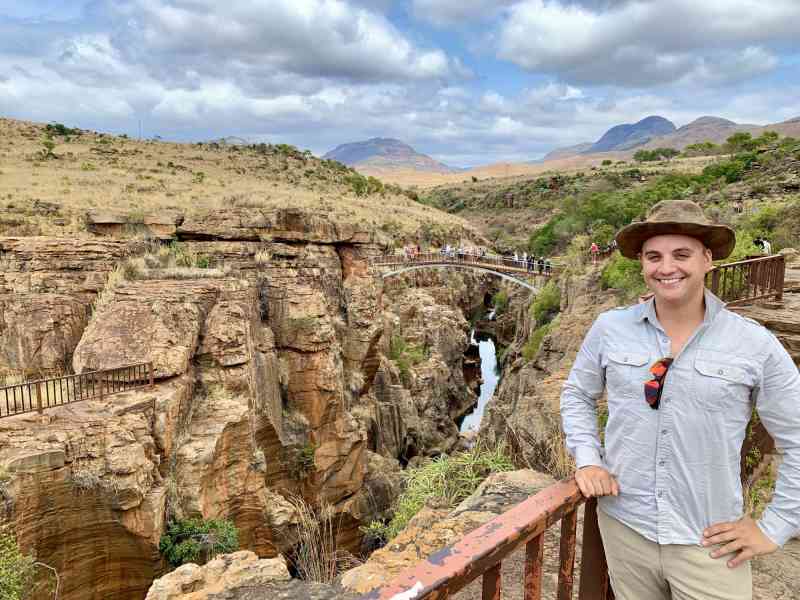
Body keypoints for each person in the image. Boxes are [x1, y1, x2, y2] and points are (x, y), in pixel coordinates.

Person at [560, 199, 800, 600]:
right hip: (626, 529)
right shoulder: (609, 328)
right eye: (654, 256)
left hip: (709, 541)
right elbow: (576, 394)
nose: (666, 267)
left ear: (707, 259)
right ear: (641, 263)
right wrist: (588, 458)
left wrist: (775, 527)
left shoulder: (753, 343)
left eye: (681, 254)